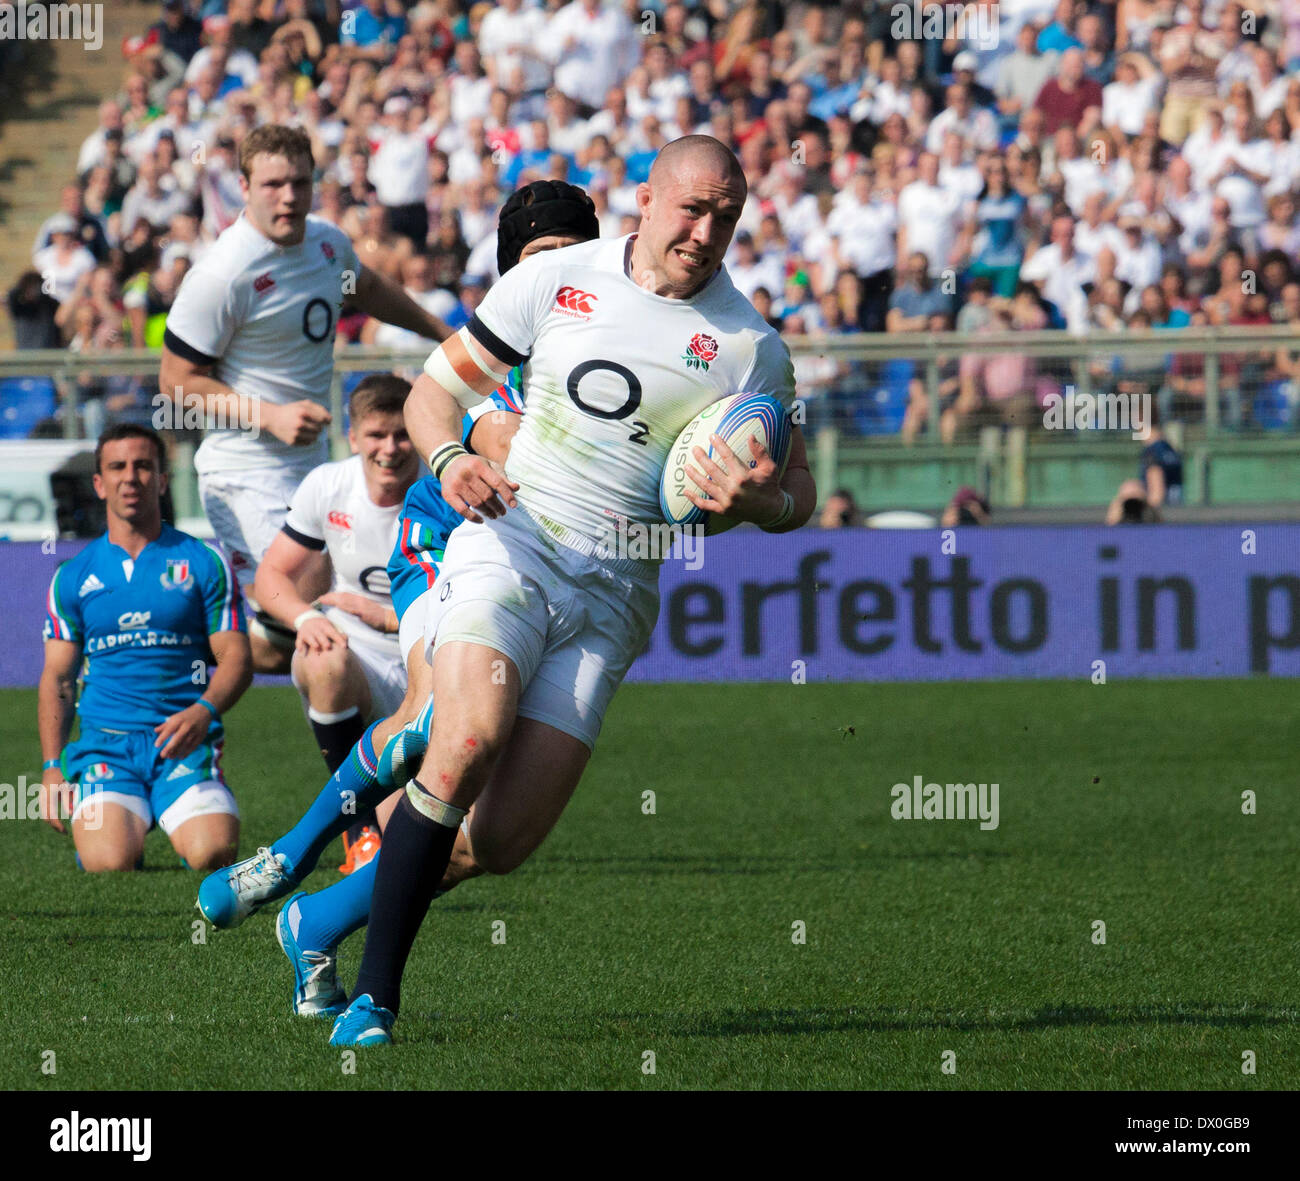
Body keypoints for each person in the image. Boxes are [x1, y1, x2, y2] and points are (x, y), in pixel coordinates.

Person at [324, 134, 815, 1045]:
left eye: (727, 216)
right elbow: (432, 394)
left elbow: (803, 494)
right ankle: (371, 1001)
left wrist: (764, 500)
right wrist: (450, 457)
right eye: (692, 208)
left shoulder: (752, 348)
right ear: (647, 198)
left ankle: (316, 917)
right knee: (465, 736)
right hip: (512, 544)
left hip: (616, 594)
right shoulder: (555, 279)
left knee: (503, 841)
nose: (706, 231)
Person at [196, 181, 602, 1021]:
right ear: (510, 272)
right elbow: (491, 428)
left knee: (488, 840)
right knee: (436, 714)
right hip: (449, 542)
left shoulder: (623, 352)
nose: (556, 273)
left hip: (569, 578)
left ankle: (317, 918)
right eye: (537, 258)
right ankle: (294, 852)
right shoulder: (499, 350)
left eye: (573, 255)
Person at [159, 124, 453, 676]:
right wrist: (267, 415)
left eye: (299, 182)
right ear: (244, 186)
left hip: (313, 465)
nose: (288, 196)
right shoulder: (222, 274)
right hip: (244, 471)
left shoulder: (325, 243)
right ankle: (168, 653)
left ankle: (203, 651)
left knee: (323, 624)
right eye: (272, 184)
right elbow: (175, 384)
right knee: (313, 626)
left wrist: (441, 330)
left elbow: (364, 289)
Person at [39, 425, 252, 873]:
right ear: (99, 483)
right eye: (117, 467)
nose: (130, 477)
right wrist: (53, 766)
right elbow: (59, 678)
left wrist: (205, 712)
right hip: (106, 748)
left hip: (182, 741)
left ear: (162, 478)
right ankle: (110, 825)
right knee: (108, 863)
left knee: (212, 855)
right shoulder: (73, 575)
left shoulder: (202, 562)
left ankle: (174, 804)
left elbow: (236, 658)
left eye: (143, 466)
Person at [252, 376, 422, 876]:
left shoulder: (444, 490)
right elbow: (271, 576)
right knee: (321, 657)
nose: (389, 448)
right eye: (376, 435)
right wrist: (305, 617)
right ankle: (359, 830)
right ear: (353, 436)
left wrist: (391, 617)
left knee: (473, 843)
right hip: (359, 659)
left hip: (433, 660)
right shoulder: (328, 485)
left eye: (402, 434)